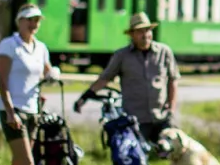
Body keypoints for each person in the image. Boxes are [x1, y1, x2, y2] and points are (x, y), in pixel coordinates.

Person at [0, 3, 60, 165]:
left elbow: (46, 71)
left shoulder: (40, 47)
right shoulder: (9, 45)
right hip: (13, 111)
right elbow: (2, 81)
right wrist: (10, 111)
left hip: (33, 110)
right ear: (20, 22)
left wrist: (53, 75)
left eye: (37, 21)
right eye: (29, 20)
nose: (33, 25)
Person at [74, 11, 179, 143]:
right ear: (132, 35)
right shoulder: (122, 56)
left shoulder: (164, 52)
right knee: (138, 158)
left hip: (161, 116)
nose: (145, 35)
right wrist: (85, 96)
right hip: (136, 119)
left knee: (171, 155)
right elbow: (105, 78)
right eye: (140, 31)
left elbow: (173, 80)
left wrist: (172, 108)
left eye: (147, 30)